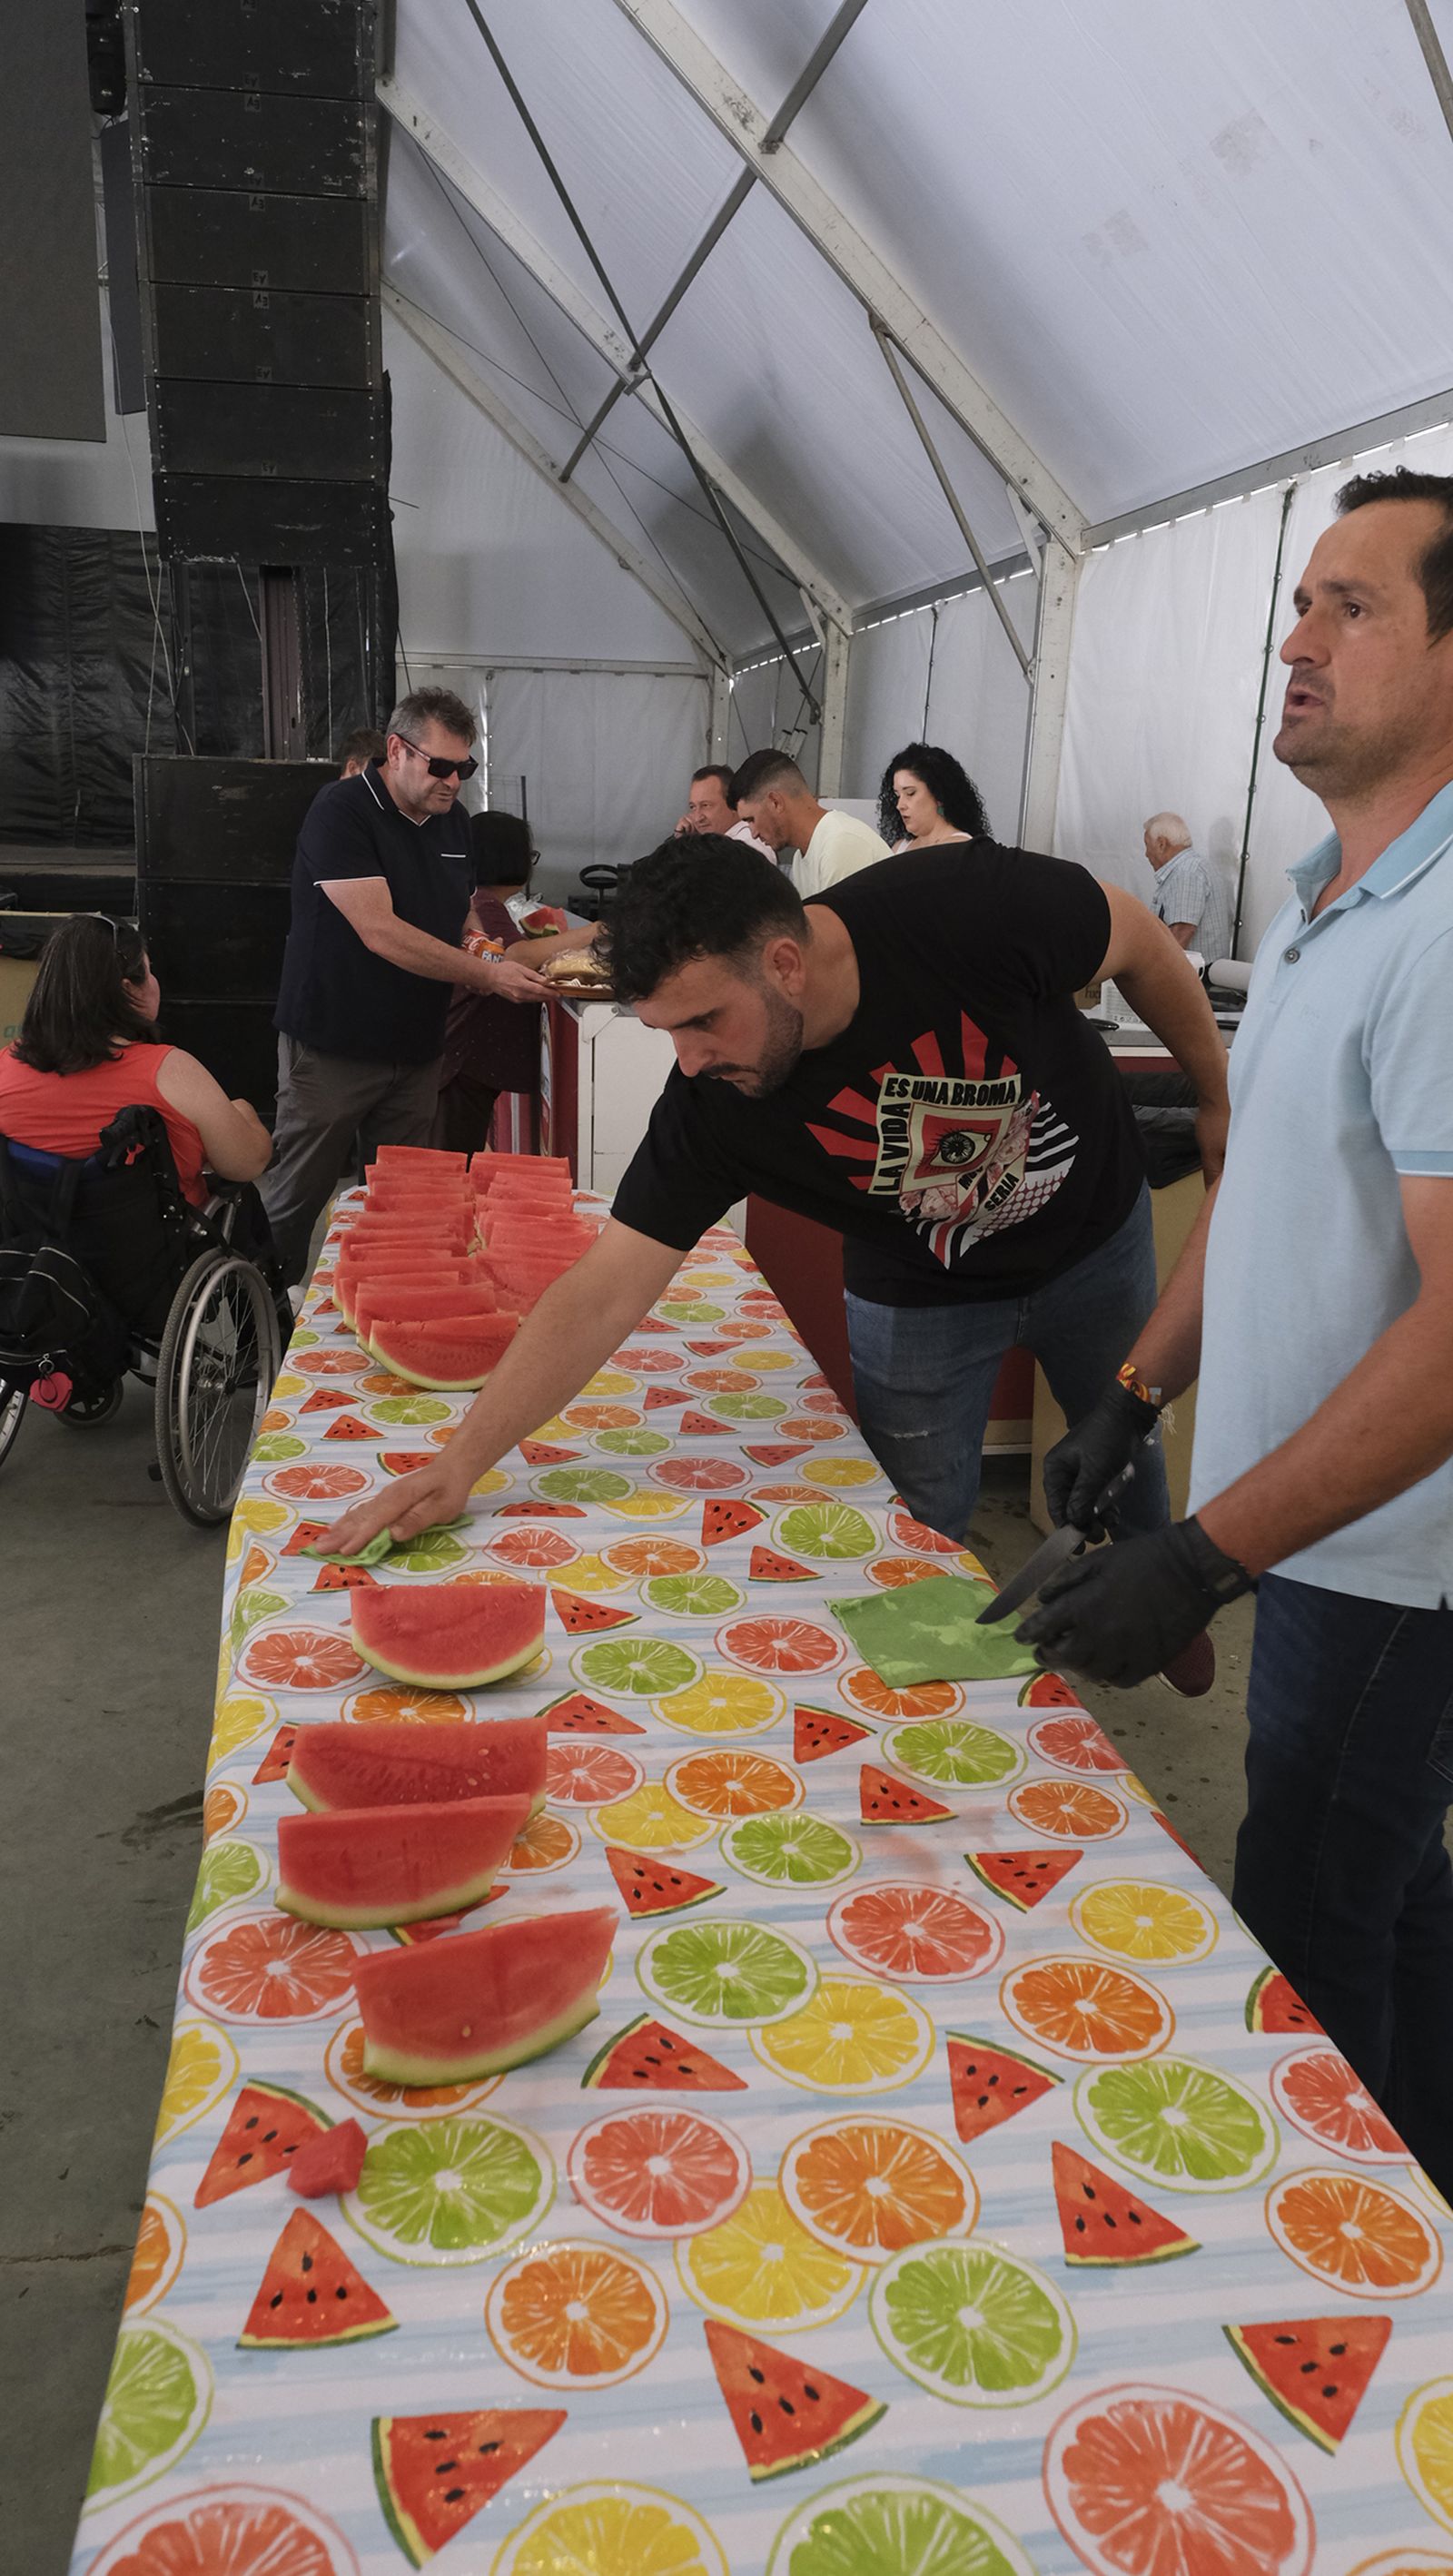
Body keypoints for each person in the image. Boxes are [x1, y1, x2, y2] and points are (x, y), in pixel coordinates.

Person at [323, 832, 1230, 1684]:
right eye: (665, 1031)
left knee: (1125, 1444)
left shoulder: (963, 903)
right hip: (916, 1291)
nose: (688, 1061)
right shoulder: (709, 1104)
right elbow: (602, 1291)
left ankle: (1168, 1605)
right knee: (913, 1519)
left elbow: (1142, 942)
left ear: (785, 964)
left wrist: (1217, 1096)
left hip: (1089, 1234)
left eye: (705, 1020)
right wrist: (461, 1461)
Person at [1020, 469, 1453, 2195]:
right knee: (1398, 1895)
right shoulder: (1324, 891)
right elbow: (1265, 1189)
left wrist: (1198, 1558)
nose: (1297, 642)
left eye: (1353, 608)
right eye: (1299, 604)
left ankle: (1348, 2317)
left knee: (1308, 1948)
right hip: (1318, 1535)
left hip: (1391, 1563)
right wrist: (1136, 1389)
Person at [261, 688, 548, 1283]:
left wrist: (484, 946)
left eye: (464, 768)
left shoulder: (457, 823)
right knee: (298, 1193)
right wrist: (488, 974)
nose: (454, 781)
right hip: (334, 1046)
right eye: (441, 766)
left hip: (418, 1050)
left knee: (404, 1200)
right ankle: (252, 1320)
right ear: (396, 750)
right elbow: (381, 931)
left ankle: (383, 1309)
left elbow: (463, 913)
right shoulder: (342, 811)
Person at [0, 913, 276, 1328]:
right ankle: (261, 1340)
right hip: (150, 1269)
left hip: (41, 1260)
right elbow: (246, 1163)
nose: (155, 982)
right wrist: (244, 1114)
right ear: (127, 989)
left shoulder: (6, 1067)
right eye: (149, 971)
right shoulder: (168, 1071)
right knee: (241, 1197)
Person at [434, 811, 603, 1156]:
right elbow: (518, 957)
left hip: (465, 1062)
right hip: (466, 1062)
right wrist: (595, 931)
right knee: (452, 1163)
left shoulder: (480, 901)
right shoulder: (483, 905)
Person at [731, 750, 889, 897]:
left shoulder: (841, 843)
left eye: (751, 820)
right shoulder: (801, 858)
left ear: (775, 802)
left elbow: (839, 926)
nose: (753, 833)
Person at [1142, 813, 1231, 961]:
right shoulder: (1194, 866)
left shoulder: (1186, 872)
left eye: (1147, 845)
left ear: (1161, 844)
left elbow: (1181, 934)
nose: (1146, 854)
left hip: (1196, 976)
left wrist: (1149, 972)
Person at [878, 743, 991, 850]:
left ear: (938, 794)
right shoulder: (900, 847)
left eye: (910, 793)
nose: (899, 805)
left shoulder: (959, 848)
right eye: (897, 795)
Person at [675, 765, 778, 860]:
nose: (697, 818)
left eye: (706, 805)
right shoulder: (716, 844)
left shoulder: (751, 843)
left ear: (732, 802)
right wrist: (682, 841)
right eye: (693, 807)